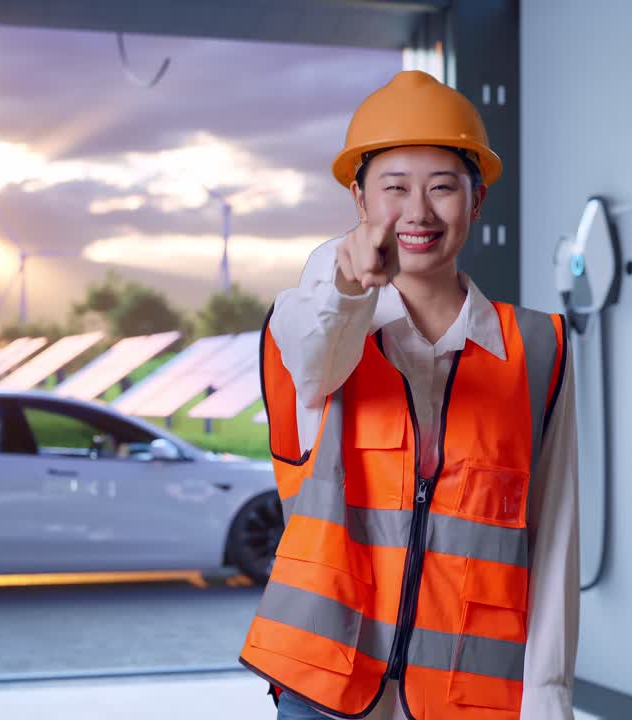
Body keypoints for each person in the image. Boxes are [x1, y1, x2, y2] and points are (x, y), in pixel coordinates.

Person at [239, 70, 579, 720]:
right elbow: (317, 363)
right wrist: (348, 279)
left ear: (477, 202)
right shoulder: (313, 317)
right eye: (394, 188)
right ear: (359, 199)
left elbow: (555, 536)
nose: (419, 213)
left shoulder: (538, 349)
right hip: (324, 689)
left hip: (468, 697)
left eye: (443, 188)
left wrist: (550, 699)